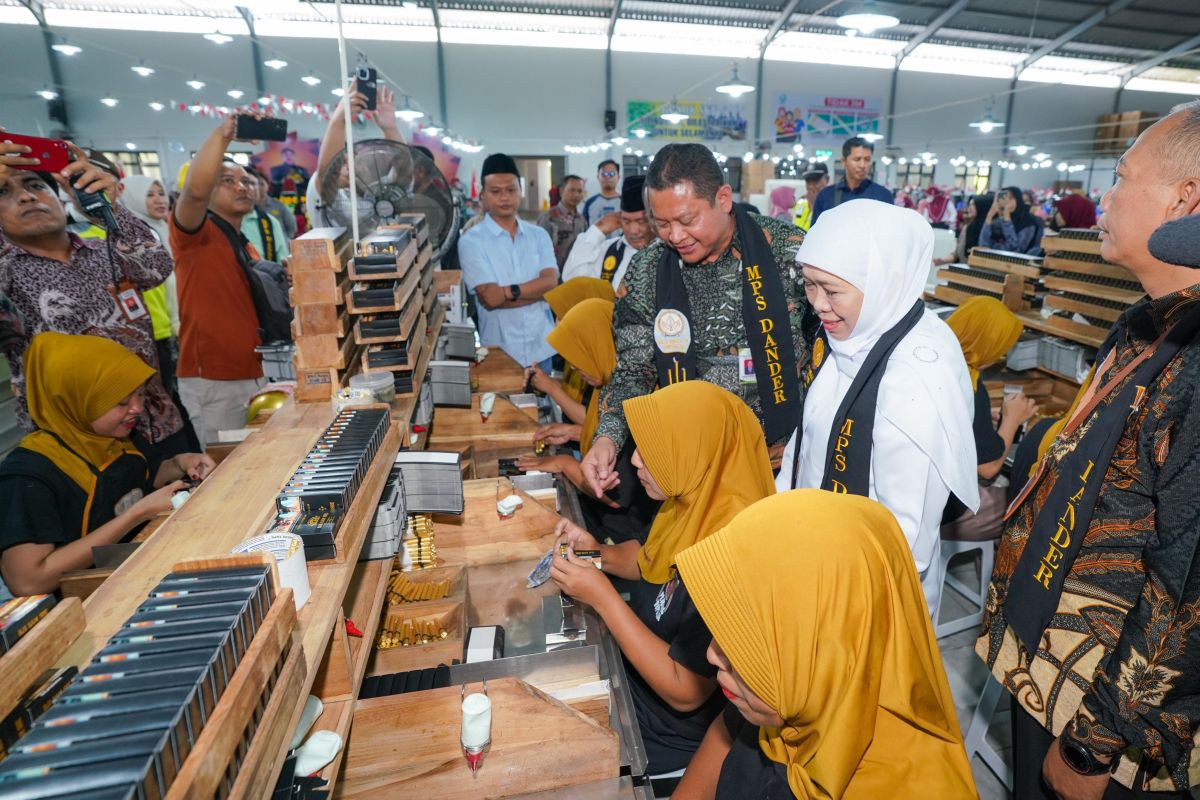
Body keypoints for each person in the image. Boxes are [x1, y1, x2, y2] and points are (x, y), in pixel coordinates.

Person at [977, 100, 1200, 799]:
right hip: (1050, 664)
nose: (1105, 197)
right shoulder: (1146, 324)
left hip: (1114, 721)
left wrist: (1090, 749)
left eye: (1123, 177)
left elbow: (1186, 585)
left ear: (1183, 199)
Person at [670, 490, 976, 799]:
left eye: (747, 643)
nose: (711, 654)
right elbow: (723, 734)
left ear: (829, 650)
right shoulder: (785, 697)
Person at [551, 380, 775, 775]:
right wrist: (590, 553)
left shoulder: (733, 557)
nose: (635, 461)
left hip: (662, 739)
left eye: (653, 451)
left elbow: (685, 691)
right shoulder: (690, 499)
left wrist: (602, 598)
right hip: (632, 688)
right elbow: (645, 559)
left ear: (694, 452)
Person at [775, 199, 978, 614]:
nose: (816, 302)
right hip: (813, 554)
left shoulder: (916, 376)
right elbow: (808, 443)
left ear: (886, 281)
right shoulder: (854, 335)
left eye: (831, 290)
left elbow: (902, 539)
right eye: (808, 284)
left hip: (866, 593)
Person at [582, 143, 808, 499]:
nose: (674, 235)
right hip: (689, 470)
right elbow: (633, 372)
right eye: (662, 223)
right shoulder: (648, 270)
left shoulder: (791, 254)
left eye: (687, 220)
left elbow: (832, 360)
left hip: (784, 467)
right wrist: (607, 437)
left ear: (723, 198)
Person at [0, 136, 185, 456]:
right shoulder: (8, 273)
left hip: (155, 424)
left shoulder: (106, 252)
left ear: (61, 197)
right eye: (3, 192)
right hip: (79, 449)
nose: (27, 196)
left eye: (35, 185)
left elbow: (156, 267)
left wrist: (106, 206)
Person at [0, 333, 214, 595]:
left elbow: (145, 474)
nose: (137, 408)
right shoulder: (28, 475)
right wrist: (134, 515)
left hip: (133, 578)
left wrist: (180, 463)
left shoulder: (115, 435)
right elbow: (28, 581)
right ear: (75, 401)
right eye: (121, 402)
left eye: (140, 395)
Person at [170, 114, 271, 446]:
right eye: (226, 180)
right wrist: (224, 135)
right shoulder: (194, 233)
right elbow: (195, 194)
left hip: (254, 372)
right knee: (221, 470)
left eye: (244, 180)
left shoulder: (243, 242)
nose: (241, 187)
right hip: (214, 379)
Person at [941, 297, 1038, 539]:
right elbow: (988, 468)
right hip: (944, 511)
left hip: (904, 494)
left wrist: (980, 420)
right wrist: (1012, 420)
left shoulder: (939, 362)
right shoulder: (970, 385)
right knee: (1026, 504)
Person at [458, 153, 558, 371]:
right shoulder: (471, 241)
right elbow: (490, 299)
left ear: (520, 191)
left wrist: (506, 292)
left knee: (543, 404)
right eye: (495, 191)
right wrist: (535, 291)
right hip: (499, 350)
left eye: (511, 190)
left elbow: (551, 284)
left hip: (541, 346)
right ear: (483, 195)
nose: (504, 197)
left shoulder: (538, 235)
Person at [121, 174, 180, 398]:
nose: (159, 200)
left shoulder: (165, 229)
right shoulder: (134, 237)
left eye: (161, 193)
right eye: (149, 195)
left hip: (172, 326)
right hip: (153, 332)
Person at [562, 175, 654, 291]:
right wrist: (597, 231)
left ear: (656, 218)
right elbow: (573, 284)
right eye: (626, 221)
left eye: (642, 221)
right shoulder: (609, 250)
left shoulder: (672, 252)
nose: (633, 231)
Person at [810, 136, 893, 224]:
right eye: (857, 159)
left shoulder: (883, 196)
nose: (862, 165)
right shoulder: (826, 196)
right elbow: (816, 233)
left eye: (867, 159)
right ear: (843, 161)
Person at [240, 167, 291, 266]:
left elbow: (282, 263)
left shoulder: (270, 222)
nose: (245, 188)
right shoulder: (217, 222)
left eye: (252, 183)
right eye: (243, 182)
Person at [535, 174, 587, 270]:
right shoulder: (548, 218)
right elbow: (539, 250)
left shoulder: (581, 220)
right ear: (561, 191)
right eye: (572, 190)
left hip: (576, 273)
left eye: (579, 191)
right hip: (553, 275)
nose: (576, 194)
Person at [980, 185, 1044, 254]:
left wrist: (1007, 217)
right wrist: (989, 216)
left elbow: (1015, 249)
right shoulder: (998, 222)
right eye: (1002, 197)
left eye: (1009, 198)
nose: (1004, 201)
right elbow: (983, 245)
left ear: (1017, 200)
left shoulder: (1028, 222)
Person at [935, 193, 992, 266]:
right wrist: (942, 260)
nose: (969, 207)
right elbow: (957, 253)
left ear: (982, 207)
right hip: (963, 271)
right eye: (970, 204)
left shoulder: (989, 230)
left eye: (974, 205)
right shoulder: (967, 228)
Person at [583, 159, 622, 229]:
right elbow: (584, 227)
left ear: (618, 177)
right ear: (598, 176)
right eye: (604, 174)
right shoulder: (590, 202)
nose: (608, 177)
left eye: (612, 174)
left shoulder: (626, 202)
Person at [793, 162, 829, 231]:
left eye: (816, 181)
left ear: (827, 179)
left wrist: (815, 206)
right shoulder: (800, 202)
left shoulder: (833, 204)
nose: (811, 186)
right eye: (808, 182)